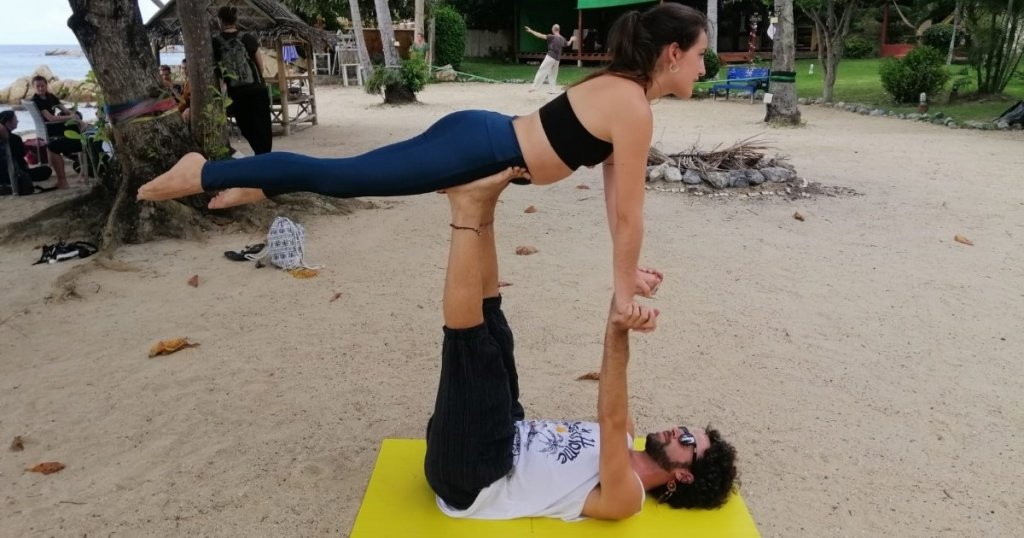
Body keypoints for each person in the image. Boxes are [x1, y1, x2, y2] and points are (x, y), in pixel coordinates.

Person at [137, 3, 710, 326]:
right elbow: (633, 217)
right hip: (477, 150)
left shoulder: (626, 97)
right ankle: (204, 171)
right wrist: (622, 292)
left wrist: (627, 275)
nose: (703, 68)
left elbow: (617, 204)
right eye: (701, 55)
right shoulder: (631, 105)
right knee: (342, 177)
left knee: (345, 177)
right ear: (673, 53)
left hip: (481, 138)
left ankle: (258, 188)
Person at [425, 167, 738, 520]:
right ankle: (484, 206)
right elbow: (611, 385)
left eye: (687, 442)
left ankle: (464, 211)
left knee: (473, 349)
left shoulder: (626, 498)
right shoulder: (626, 439)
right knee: (495, 327)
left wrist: (621, 330)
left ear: (682, 476)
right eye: (686, 429)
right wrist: (624, 299)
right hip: (501, 432)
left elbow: (611, 415)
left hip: (473, 475)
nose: (677, 431)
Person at [212, 5, 272, 154]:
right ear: (236, 19)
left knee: (247, 127)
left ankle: (259, 153)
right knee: (263, 126)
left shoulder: (215, 42)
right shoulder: (247, 37)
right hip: (257, 89)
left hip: (237, 93)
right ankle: (264, 156)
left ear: (220, 20)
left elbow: (217, 71)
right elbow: (260, 65)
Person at [30, 76, 82, 185]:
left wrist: (73, 114)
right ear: (33, 87)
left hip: (53, 125)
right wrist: (70, 118)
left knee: (76, 119)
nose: (40, 88)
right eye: (38, 86)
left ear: (46, 85)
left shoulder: (51, 96)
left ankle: (73, 153)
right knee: (74, 126)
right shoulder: (36, 100)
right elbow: (50, 118)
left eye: (42, 86)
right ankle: (75, 152)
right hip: (49, 127)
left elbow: (64, 109)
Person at [0, 110, 56, 190]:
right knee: (46, 170)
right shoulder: (15, 139)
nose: (18, 121)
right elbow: (21, 156)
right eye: (15, 119)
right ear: (8, 123)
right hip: (13, 173)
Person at [524, 24, 576, 94]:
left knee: (542, 71)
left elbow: (540, 35)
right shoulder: (562, 39)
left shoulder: (552, 37)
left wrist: (531, 31)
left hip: (550, 57)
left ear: (553, 29)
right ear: (559, 30)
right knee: (553, 75)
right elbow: (568, 44)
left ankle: (534, 87)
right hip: (557, 60)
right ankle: (552, 90)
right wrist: (571, 39)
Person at [177, 58, 193, 124]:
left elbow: (185, 100)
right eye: (182, 68)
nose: (183, 71)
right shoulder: (186, 82)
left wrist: (189, 109)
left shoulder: (192, 82)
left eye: (185, 68)